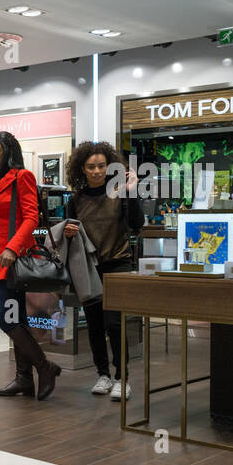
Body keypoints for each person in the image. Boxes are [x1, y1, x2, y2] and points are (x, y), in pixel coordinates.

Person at [0, 131, 61, 400]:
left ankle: (45, 366)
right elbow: (3, 219)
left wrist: (11, 247)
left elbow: (31, 218)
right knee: (14, 318)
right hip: (3, 258)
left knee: (1, 315)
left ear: (8, 151)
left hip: (15, 259)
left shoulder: (23, 177)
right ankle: (24, 379)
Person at [64, 141, 145, 401]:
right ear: (82, 169)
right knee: (95, 324)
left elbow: (136, 224)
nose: (97, 171)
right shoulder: (76, 200)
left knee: (115, 323)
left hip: (118, 264)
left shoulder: (120, 193)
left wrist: (132, 192)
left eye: (101, 166)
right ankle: (103, 374)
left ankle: (123, 377)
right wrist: (67, 232)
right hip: (87, 267)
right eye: (91, 167)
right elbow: (69, 234)